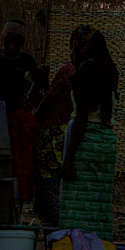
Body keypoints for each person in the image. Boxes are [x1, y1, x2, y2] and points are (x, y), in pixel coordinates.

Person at [0, 19, 47, 204]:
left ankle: (20, 197)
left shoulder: (26, 60)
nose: (12, 45)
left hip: (16, 115)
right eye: (9, 40)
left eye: (17, 42)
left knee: (20, 159)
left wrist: (30, 96)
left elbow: (38, 81)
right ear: (3, 38)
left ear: (22, 43)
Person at [59, 26, 119, 241]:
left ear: (82, 48)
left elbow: (82, 118)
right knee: (98, 208)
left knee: (77, 208)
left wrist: (68, 161)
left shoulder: (84, 74)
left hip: (84, 145)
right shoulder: (109, 72)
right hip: (106, 142)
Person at [33, 46, 77, 227]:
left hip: (52, 138)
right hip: (68, 136)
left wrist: (32, 120)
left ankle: (60, 232)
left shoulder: (67, 71)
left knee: (47, 194)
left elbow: (48, 103)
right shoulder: (89, 75)